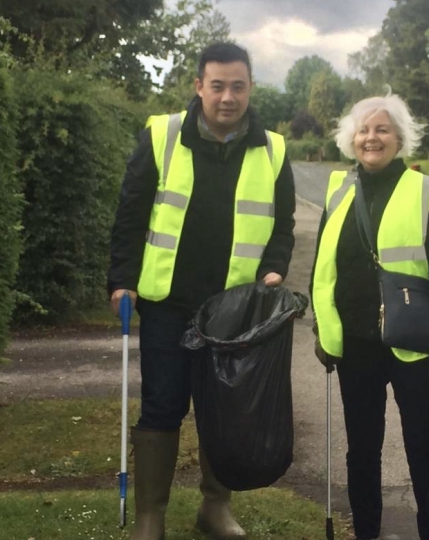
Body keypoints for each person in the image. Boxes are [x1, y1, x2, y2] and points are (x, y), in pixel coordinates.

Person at [108, 42, 295, 540]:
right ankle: (151, 518)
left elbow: (283, 225)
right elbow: (130, 215)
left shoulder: (273, 149)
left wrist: (275, 270)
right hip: (167, 301)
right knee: (163, 405)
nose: (227, 97)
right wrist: (122, 280)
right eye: (217, 86)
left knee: (225, 411)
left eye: (237, 86)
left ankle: (214, 509)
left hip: (232, 311)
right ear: (199, 87)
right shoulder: (162, 135)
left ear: (250, 87)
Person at [310, 92, 429, 540]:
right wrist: (322, 330)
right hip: (355, 346)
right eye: (364, 130)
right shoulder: (338, 191)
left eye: (382, 129)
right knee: (361, 452)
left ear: (399, 139)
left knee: (423, 449)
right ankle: (366, 533)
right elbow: (323, 269)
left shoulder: (425, 194)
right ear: (352, 139)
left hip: (416, 344)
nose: (372, 137)